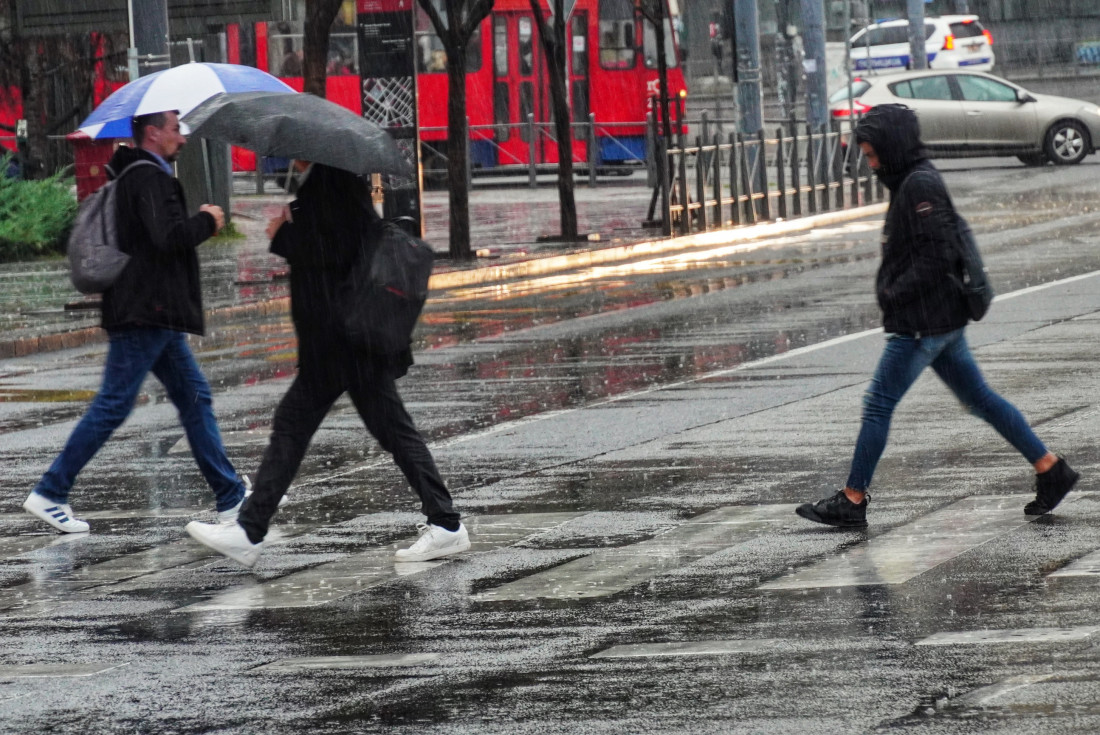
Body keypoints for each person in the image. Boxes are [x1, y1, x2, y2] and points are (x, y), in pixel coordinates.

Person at [795, 104, 1079, 529]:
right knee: (980, 399)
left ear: (891, 146)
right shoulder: (914, 179)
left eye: (873, 155)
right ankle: (1049, 468)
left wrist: (893, 292)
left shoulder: (918, 185)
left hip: (922, 323)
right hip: (940, 320)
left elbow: (937, 254)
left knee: (878, 405)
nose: (871, 165)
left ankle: (853, 499)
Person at [185, 162, 470, 568]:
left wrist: (283, 232)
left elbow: (336, 249)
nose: (291, 159)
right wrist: (293, 220)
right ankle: (446, 524)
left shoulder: (332, 180)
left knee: (294, 425)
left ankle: (249, 530)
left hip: (342, 341)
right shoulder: (328, 182)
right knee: (390, 431)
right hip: (345, 342)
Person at [23, 110, 248, 534]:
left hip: (150, 310)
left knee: (195, 397)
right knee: (114, 404)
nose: (181, 138)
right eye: (175, 128)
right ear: (153, 132)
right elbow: (169, 238)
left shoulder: (136, 175)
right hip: (147, 310)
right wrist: (208, 221)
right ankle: (51, 490)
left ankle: (231, 495)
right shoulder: (149, 178)